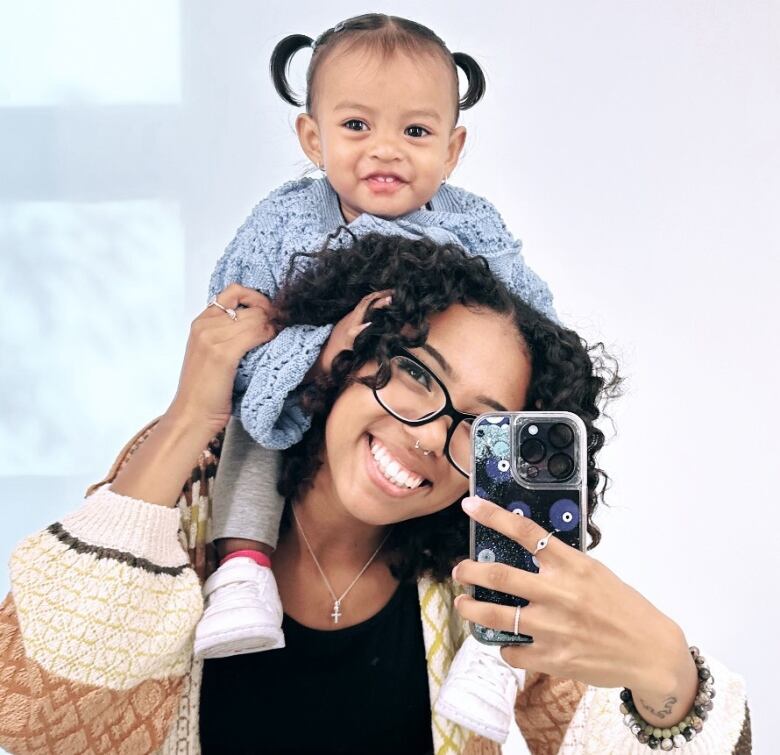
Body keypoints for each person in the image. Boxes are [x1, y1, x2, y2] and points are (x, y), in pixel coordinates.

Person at [0, 236, 750, 754]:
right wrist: (194, 412)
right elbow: (33, 715)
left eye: (480, 426)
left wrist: (668, 672)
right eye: (416, 373)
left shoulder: (488, 589)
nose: (428, 434)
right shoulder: (184, 504)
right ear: (341, 351)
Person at [198, 12, 557, 741]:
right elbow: (240, 302)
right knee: (256, 425)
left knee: (502, 467)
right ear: (312, 137)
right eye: (357, 126)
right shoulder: (284, 220)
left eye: (416, 133)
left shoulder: (468, 223)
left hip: (426, 404)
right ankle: (242, 562)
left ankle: (495, 646)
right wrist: (306, 354)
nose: (385, 151)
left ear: (453, 150)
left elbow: (528, 313)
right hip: (301, 379)